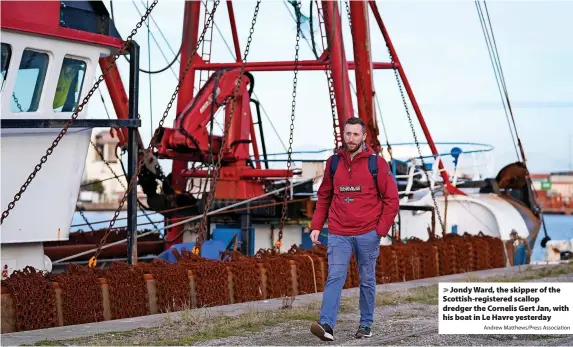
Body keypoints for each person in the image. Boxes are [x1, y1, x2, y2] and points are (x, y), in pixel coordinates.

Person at [308, 117, 400, 341]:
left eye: (355, 134)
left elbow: (392, 199)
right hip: (339, 232)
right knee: (335, 277)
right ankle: (326, 325)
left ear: (363, 137)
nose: (351, 138)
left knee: (367, 279)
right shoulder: (333, 163)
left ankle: (366, 325)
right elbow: (324, 197)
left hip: (368, 232)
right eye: (348, 134)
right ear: (343, 135)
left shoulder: (376, 164)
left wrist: (380, 230)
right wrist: (317, 226)